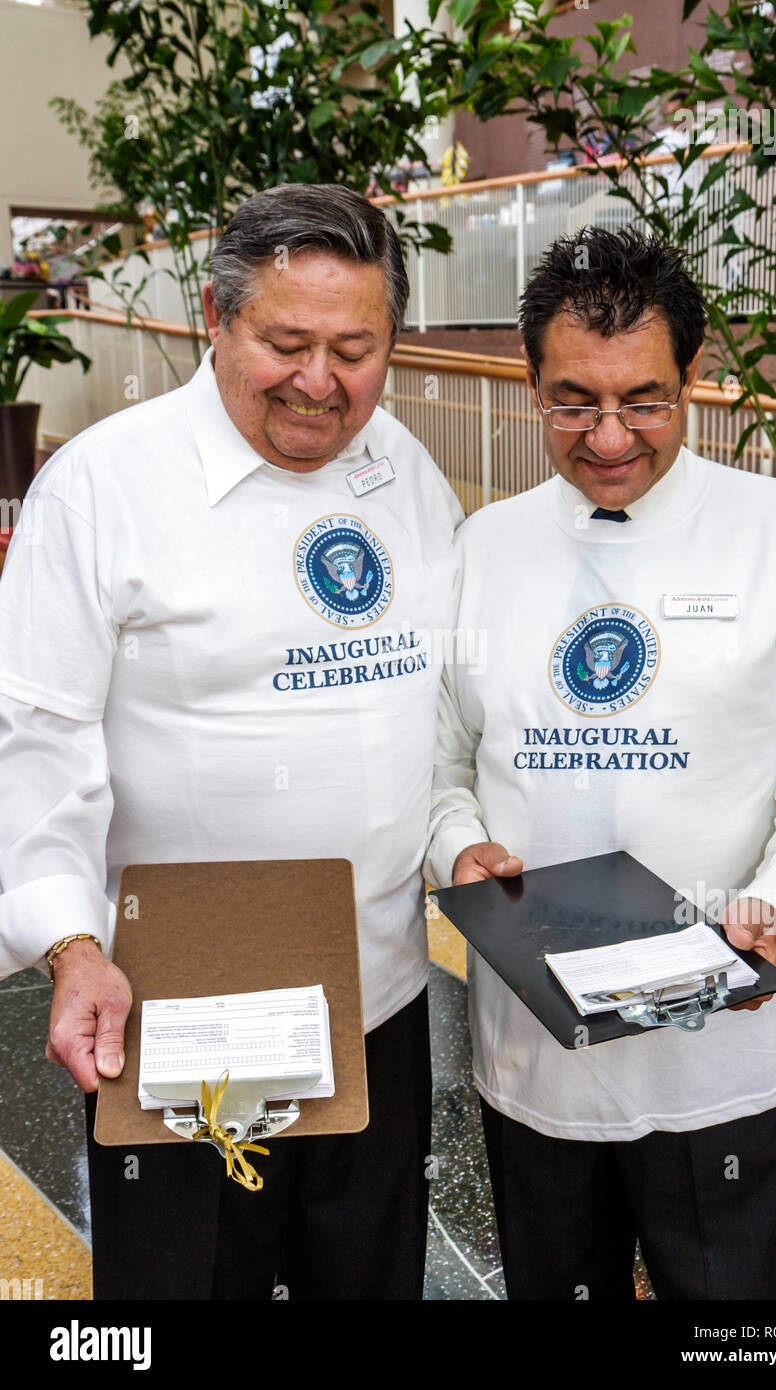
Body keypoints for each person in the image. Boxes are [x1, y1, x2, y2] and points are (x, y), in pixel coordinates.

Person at [0, 183, 463, 1300]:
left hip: (377, 999)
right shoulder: (103, 487)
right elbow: (35, 740)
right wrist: (70, 947)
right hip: (174, 1008)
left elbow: (450, 697)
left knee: (368, 1279)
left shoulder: (403, 467)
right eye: (286, 344)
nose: (321, 382)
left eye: (355, 349)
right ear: (216, 317)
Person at [424, 226, 776, 1301]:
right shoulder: (485, 549)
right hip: (536, 1046)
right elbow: (440, 764)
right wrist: (457, 848)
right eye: (574, 402)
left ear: (693, 376)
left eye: (645, 401)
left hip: (720, 1048)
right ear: (531, 382)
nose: (610, 437)